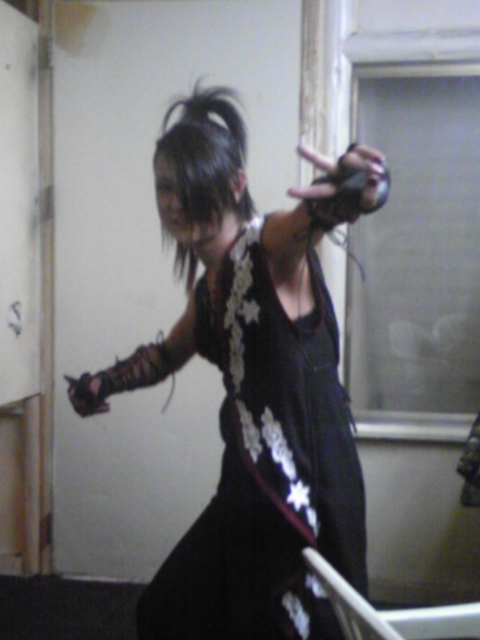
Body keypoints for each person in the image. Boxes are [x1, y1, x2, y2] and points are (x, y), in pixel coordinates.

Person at [66, 84, 390, 640]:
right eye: (165, 186)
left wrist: (356, 189)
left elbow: (316, 215)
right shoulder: (208, 291)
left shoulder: (271, 248)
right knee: (166, 612)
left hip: (308, 486)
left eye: (188, 183)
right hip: (247, 487)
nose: (173, 201)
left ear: (236, 184)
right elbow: (166, 355)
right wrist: (103, 383)